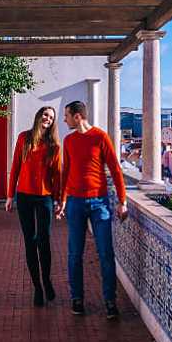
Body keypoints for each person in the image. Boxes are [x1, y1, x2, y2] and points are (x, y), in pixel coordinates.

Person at [55, 100, 127, 319]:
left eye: (67, 116)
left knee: (105, 253)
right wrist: (62, 200)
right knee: (74, 254)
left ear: (77, 116)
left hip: (99, 203)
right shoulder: (69, 140)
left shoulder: (100, 137)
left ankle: (110, 301)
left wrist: (122, 201)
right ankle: (77, 298)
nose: (64, 120)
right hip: (75, 203)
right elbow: (66, 171)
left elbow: (115, 169)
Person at [6, 106, 61, 307]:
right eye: (46, 115)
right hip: (24, 196)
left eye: (51, 117)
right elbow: (15, 167)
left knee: (43, 240)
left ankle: (46, 280)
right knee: (30, 241)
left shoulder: (54, 145)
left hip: (45, 197)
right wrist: (10, 195)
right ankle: (37, 287)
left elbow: (57, 175)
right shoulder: (24, 138)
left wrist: (59, 200)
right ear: (39, 116)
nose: (48, 119)